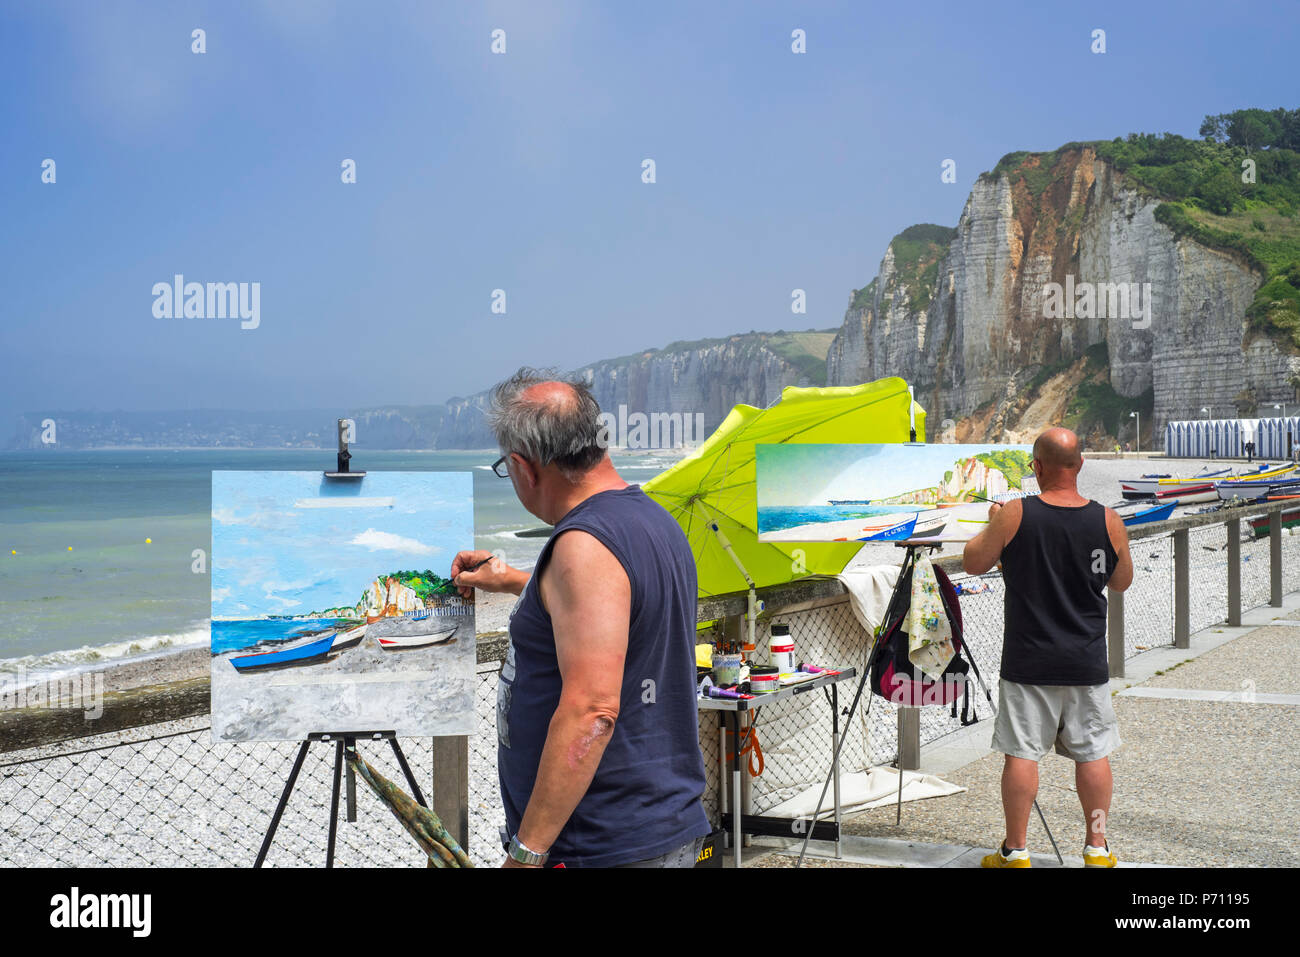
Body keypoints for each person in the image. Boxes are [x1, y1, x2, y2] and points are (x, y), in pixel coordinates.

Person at [450, 369, 710, 868]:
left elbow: (593, 712)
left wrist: (527, 854)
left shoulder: (583, 547)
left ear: (525, 468)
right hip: (654, 826)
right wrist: (511, 579)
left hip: (603, 843)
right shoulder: (653, 520)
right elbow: (605, 612)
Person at [962, 427, 1133, 868]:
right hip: (1086, 659)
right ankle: (1097, 847)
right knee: (1093, 754)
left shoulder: (1015, 513)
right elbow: (1121, 581)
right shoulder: (1107, 520)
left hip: (1028, 660)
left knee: (1021, 753)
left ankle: (1016, 851)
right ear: (1080, 465)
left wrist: (994, 523)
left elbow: (973, 563)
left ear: (1036, 467)